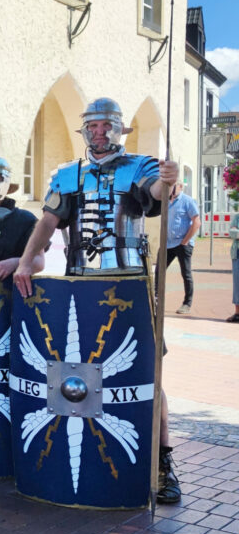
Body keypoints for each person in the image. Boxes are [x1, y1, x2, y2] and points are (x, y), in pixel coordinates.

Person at [13, 97, 182, 505]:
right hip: (81, 285)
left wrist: (168, 178)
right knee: (79, 371)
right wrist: (23, 263)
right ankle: (83, 456)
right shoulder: (68, 175)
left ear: (119, 129)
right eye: (93, 126)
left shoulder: (140, 167)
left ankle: (162, 461)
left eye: (107, 125)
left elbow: (156, 194)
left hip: (129, 285)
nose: (100, 132)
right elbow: (48, 222)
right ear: (84, 131)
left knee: (148, 374)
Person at [164, 182, 200, 315]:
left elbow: (197, 222)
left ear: (180, 186)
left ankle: (187, 303)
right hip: (168, 243)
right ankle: (156, 298)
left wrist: (185, 241)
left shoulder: (187, 201)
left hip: (183, 243)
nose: (169, 188)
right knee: (159, 272)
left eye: (172, 186)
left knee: (186, 273)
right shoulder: (166, 201)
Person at [229, 218, 239, 323]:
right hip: (237, 255)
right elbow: (232, 233)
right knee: (237, 284)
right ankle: (237, 313)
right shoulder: (237, 218)